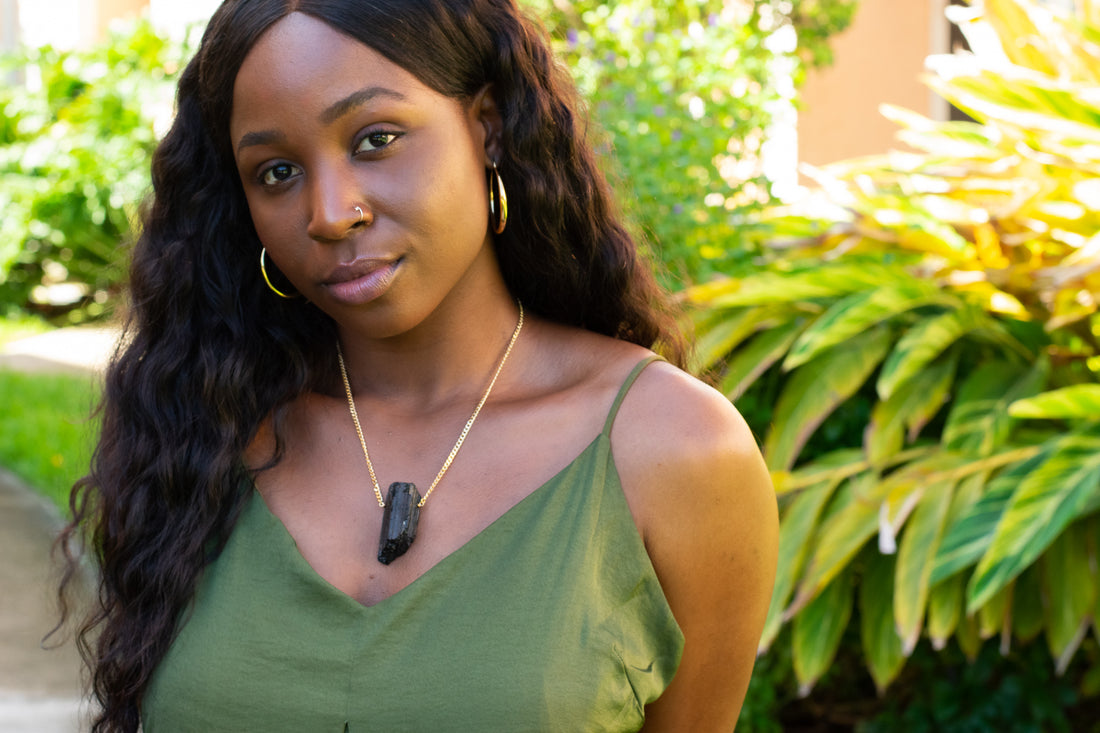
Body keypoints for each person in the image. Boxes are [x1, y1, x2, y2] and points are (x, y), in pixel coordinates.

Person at [58, 1, 778, 731]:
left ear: (488, 126)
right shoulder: (203, 431)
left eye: (375, 139)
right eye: (276, 171)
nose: (330, 213)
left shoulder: (673, 452)